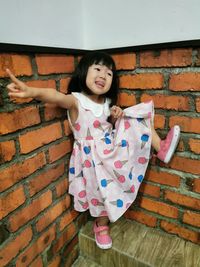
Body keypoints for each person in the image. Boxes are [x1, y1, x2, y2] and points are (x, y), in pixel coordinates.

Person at [6, 51, 180, 250]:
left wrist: (116, 116)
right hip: (91, 158)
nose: (103, 75)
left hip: (110, 150)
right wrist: (32, 91)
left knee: (134, 115)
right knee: (98, 192)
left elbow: (109, 126)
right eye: (97, 69)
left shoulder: (106, 103)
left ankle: (161, 147)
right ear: (83, 72)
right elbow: (56, 96)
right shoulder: (76, 101)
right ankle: (101, 225)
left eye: (109, 74)